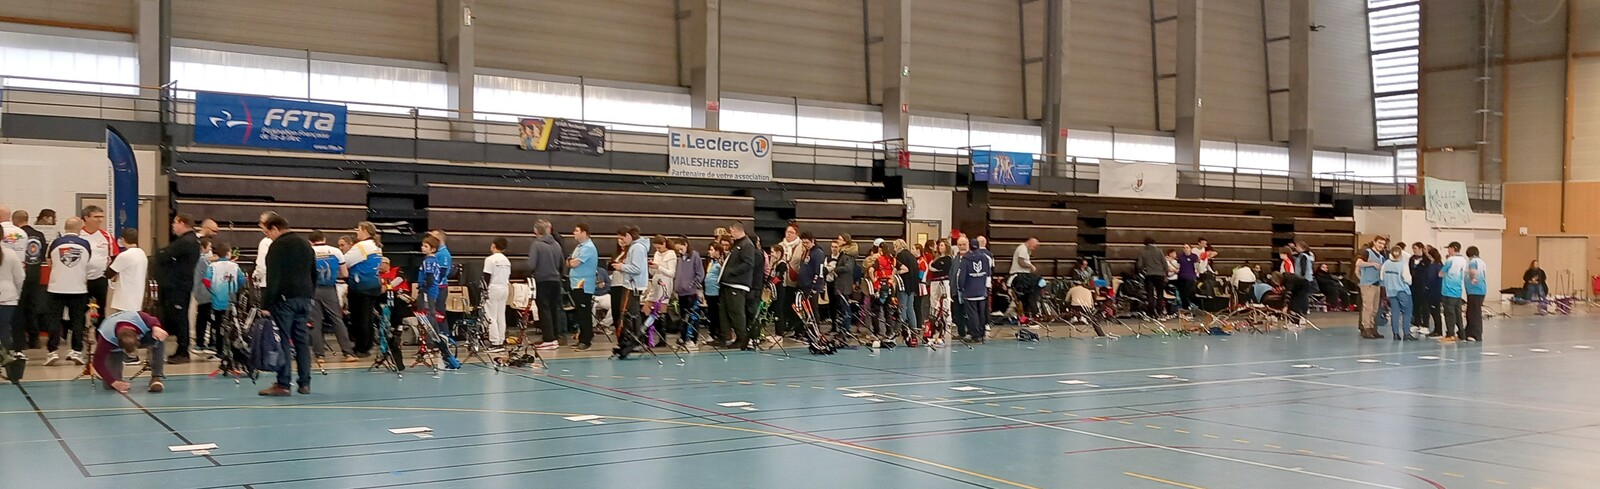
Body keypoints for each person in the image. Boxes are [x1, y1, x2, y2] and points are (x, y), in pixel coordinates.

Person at [257, 211, 317, 396]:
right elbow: (313, 273)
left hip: (284, 300)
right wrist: (309, 295)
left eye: (267, 232)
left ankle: (283, 383)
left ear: (275, 228)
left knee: (282, 339)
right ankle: (305, 383)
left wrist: (267, 304)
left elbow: (273, 277)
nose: (267, 236)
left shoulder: (277, 246)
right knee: (301, 341)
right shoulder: (306, 244)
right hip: (304, 298)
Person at [43, 217, 93, 367]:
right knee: (77, 320)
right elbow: (87, 263)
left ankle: (52, 351)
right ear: (80, 228)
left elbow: (49, 262)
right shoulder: (85, 244)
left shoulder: (54, 243)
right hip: (78, 288)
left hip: (56, 287)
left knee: (54, 320)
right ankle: (76, 351)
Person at [309, 231, 357, 362]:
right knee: (337, 320)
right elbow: (345, 274)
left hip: (313, 289)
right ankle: (348, 353)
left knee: (316, 322)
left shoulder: (308, 252)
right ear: (324, 239)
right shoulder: (336, 251)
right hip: (330, 288)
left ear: (310, 242)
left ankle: (319, 355)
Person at [92, 310, 168, 393]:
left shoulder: (140, 318)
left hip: (140, 333)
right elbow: (97, 362)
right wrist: (114, 383)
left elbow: (153, 320)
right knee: (109, 385)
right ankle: (117, 380)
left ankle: (156, 377)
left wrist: (156, 327)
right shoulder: (106, 340)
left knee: (159, 336)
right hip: (114, 345)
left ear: (138, 338)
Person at [7, 210, 46, 353]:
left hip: (20, 274)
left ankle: (20, 341)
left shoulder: (16, 235)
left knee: (19, 308)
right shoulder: (40, 235)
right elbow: (42, 255)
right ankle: (35, 339)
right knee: (32, 307)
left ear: (14, 220)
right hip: (35, 274)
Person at [343, 222, 384, 355]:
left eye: (359, 230)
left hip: (361, 286)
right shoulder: (376, 246)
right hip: (374, 285)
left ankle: (361, 347)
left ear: (365, 231)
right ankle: (368, 344)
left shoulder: (361, 246)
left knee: (359, 318)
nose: (357, 232)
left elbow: (345, 261)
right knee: (368, 317)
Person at [528, 219, 565, 350]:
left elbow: (532, 264)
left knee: (544, 309)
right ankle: (555, 336)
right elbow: (562, 263)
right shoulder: (557, 244)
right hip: (556, 280)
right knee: (555, 308)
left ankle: (549, 338)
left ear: (536, 230)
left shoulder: (536, 244)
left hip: (542, 280)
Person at [612, 228, 650, 356]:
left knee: (629, 314)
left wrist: (622, 266)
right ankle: (632, 341)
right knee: (632, 314)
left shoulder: (637, 248)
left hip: (633, 285)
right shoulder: (636, 247)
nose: (621, 241)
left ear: (628, 235)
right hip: (633, 285)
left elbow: (637, 268)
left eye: (622, 238)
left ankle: (633, 342)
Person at [78, 206, 117, 330]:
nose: (100, 220)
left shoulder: (106, 236)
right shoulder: (78, 235)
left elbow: (115, 256)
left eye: (101, 217)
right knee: (80, 309)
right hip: (80, 279)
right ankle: (80, 334)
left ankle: (100, 335)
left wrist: (110, 274)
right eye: (96, 217)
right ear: (86, 218)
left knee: (101, 309)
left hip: (100, 278)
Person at [202, 242, 246, 352]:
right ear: (228, 253)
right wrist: (235, 288)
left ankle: (219, 349)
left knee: (217, 325)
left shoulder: (212, 267)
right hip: (231, 300)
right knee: (231, 325)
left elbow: (206, 281)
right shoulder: (235, 267)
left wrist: (212, 290)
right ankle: (230, 349)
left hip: (217, 301)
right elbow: (242, 279)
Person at [720, 222, 757, 350]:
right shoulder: (737, 244)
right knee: (726, 312)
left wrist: (732, 271)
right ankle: (731, 337)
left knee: (737, 313)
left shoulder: (747, 245)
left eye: (731, 231)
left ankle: (743, 339)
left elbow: (748, 263)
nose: (730, 234)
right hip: (728, 283)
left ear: (735, 230)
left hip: (737, 284)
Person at [566, 224, 599, 351]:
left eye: (576, 230)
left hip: (583, 284)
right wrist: (570, 262)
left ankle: (586, 340)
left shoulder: (588, 247)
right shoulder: (579, 247)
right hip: (576, 282)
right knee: (580, 312)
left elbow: (574, 263)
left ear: (584, 233)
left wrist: (570, 262)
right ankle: (582, 337)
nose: (573, 233)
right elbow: (569, 261)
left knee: (584, 312)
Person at [953, 236, 991, 344]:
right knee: (981, 313)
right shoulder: (985, 258)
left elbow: (962, 277)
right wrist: (987, 288)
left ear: (969, 246)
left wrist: (961, 287)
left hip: (970, 291)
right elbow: (988, 274)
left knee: (972, 314)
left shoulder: (966, 259)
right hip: (982, 290)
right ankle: (982, 333)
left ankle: (975, 335)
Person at [673, 236, 706, 349]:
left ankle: (692, 339)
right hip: (681, 293)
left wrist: (691, 285)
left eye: (681, 248)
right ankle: (683, 338)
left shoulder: (695, 256)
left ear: (686, 245)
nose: (679, 251)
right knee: (683, 317)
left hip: (691, 293)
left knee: (692, 316)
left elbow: (700, 274)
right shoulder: (679, 258)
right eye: (677, 249)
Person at [105, 228, 146, 315]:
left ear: (123, 240)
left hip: (125, 301)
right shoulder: (142, 253)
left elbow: (109, 273)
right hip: (137, 299)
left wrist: (108, 263)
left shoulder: (125, 256)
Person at [1355, 237, 1389, 339]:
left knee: (1375, 309)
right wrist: (1372, 264)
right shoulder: (1367, 252)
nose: (1381, 245)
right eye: (1379, 243)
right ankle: (1366, 328)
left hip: (1377, 284)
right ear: (1374, 242)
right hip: (1368, 284)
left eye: (1383, 244)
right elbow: (1358, 263)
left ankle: (1372, 327)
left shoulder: (1382, 257)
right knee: (1368, 308)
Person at [482, 238, 512, 352]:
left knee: (491, 316)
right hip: (504, 288)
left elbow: (487, 277)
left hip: (493, 288)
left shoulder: (490, 259)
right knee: (500, 315)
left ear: (493, 246)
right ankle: (501, 339)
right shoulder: (507, 261)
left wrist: (483, 290)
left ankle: (495, 342)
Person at [1381, 246, 1416, 341]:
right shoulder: (1402, 265)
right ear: (1400, 254)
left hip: (1390, 291)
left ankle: (1395, 334)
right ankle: (1406, 333)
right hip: (1402, 291)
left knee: (1395, 312)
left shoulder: (1386, 264)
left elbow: (1382, 277)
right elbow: (1408, 280)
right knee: (1407, 312)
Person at [190, 237, 217, 356]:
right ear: (203, 247)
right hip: (205, 292)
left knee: (202, 317)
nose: (210, 249)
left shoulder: (198, 259)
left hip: (199, 292)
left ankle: (200, 342)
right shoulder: (203, 260)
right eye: (209, 246)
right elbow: (211, 274)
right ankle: (203, 343)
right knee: (205, 317)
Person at [0, 235, 25, 361]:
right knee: (4, 328)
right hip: (8, 297)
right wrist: (17, 293)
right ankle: (4, 359)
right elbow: (20, 277)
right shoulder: (11, 254)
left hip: (8, 296)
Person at [829, 235, 859, 335]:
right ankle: (843, 328)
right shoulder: (844, 253)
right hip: (841, 284)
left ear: (845, 241)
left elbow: (848, 268)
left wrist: (835, 269)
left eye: (840, 239)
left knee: (845, 307)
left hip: (844, 284)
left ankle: (846, 329)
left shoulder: (847, 254)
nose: (838, 241)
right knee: (842, 307)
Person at [1438, 242, 1467, 342]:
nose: (1448, 250)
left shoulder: (1450, 260)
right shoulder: (1463, 260)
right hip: (1458, 291)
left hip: (1448, 290)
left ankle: (1450, 334)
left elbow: (1441, 273)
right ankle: (1461, 333)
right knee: (1458, 313)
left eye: (1449, 248)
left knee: (1449, 313)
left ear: (1453, 248)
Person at [1009, 237, 1041, 323]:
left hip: (1022, 275)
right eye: (1034, 246)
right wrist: (1031, 266)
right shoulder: (1022, 249)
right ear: (1030, 243)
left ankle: (1026, 318)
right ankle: (1031, 315)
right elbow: (1021, 262)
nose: (1034, 249)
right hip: (1020, 275)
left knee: (1025, 299)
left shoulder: (1025, 250)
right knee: (1028, 296)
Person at [703, 240, 726, 345]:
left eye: (711, 250)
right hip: (709, 292)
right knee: (711, 314)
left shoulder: (720, 263)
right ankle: (712, 333)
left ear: (717, 251)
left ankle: (716, 334)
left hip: (716, 292)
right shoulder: (711, 262)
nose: (709, 252)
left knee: (715, 315)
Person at [1136, 237, 1166, 317]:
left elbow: (1139, 265)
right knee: (1160, 294)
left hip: (1149, 275)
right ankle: (1160, 311)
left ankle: (1151, 312)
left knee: (1150, 294)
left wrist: (1142, 272)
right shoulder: (1159, 251)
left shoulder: (1143, 252)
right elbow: (1164, 264)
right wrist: (1165, 273)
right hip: (1160, 274)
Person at [1464, 246, 1488, 342]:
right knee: (1471, 312)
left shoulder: (1473, 262)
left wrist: (1472, 279)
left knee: (1474, 313)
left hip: (1475, 291)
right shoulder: (1481, 262)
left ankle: (1476, 334)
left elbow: (1473, 272)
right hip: (1476, 291)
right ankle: (1468, 331)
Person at [1408, 243, 1431, 328]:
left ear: (1421, 249)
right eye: (1413, 248)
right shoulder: (1412, 259)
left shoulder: (1427, 260)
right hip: (1413, 285)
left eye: (1415, 248)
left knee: (1424, 305)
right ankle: (1416, 322)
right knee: (1415, 304)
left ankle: (1425, 324)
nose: (1414, 250)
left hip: (1423, 285)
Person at [1423, 246, 1445, 336]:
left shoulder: (1434, 265)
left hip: (1433, 291)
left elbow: (1431, 278)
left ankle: (1438, 331)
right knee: (1435, 311)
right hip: (1435, 291)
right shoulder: (1437, 264)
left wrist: (1426, 287)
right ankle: (1437, 329)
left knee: (1435, 311)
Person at [1175, 244, 1200, 311]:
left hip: (1190, 277)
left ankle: (1189, 307)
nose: (1185, 249)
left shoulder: (1194, 257)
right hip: (1181, 277)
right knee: (1182, 293)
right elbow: (1177, 266)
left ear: (1190, 249)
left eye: (1187, 248)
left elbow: (1196, 267)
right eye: (1184, 248)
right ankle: (1184, 308)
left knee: (1187, 293)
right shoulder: (1180, 257)